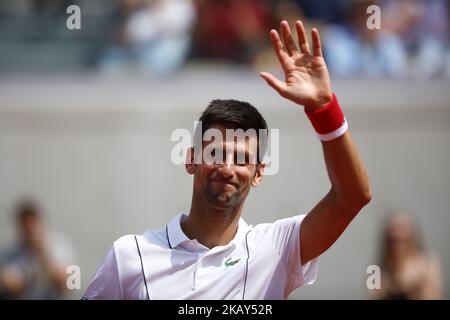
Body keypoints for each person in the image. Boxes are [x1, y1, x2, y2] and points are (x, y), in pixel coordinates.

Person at [83, 20, 371, 300]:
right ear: (191, 159)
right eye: (215, 153)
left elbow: (352, 198)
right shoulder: (129, 256)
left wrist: (323, 108)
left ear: (259, 173)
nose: (227, 168)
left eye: (242, 159)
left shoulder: (276, 249)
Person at [0, 200, 75, 299]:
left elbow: (72, 284)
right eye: (25, 224)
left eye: (33, 222)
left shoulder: (61, 246)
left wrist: (42, 253)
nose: (29, 228)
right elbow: (10, 284)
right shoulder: (8, 253)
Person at [371, 212, 442, 300]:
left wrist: (413, 285)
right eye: (394, 231)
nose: (399, 235)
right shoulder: (378, 268)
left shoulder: (428, 263)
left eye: (402, 229)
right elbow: (372, 295)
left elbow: (433, 296)